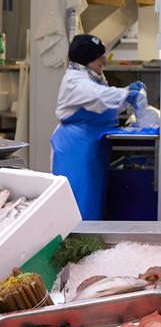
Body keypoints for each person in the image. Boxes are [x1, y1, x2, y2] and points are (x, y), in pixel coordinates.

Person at [51, 34, 148, 220]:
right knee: (78, 204)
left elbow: (106, 101)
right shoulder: (75, 81)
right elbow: (99, 96)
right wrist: (127, 93)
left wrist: (125, 95)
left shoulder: (91, 76)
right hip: (75, 150)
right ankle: (73, 247)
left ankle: (90, 245)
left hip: (90, 147)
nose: (103, 60)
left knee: (92, 203)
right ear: (87, 59)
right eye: (99, 56)